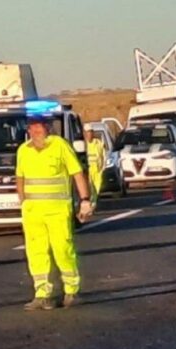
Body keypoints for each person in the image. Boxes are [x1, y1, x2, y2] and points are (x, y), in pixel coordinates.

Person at [16, 115, 93, 311]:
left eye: (39, 127)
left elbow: (76, 173)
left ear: (47, 128)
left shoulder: (60, 145)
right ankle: (42, 294)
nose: (35, 131)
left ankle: (71, 291)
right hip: (33, 213)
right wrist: (22, 202)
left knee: (62, 249)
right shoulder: (23, 150)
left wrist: (84, 200)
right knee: (36, 252)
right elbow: (20, 178)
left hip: (57, 211)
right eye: (32, 128)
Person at [84, 127, 105, 205]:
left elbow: (103, 155)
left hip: (97, 169)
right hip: (88, 168)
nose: (89, 134)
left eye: (90, 132)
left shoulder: (98, 143)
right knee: (89, 186)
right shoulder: (83, 144)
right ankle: (90, 201)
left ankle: (94, 201)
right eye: (87, 132)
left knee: (97, 186)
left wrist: (103, 167)